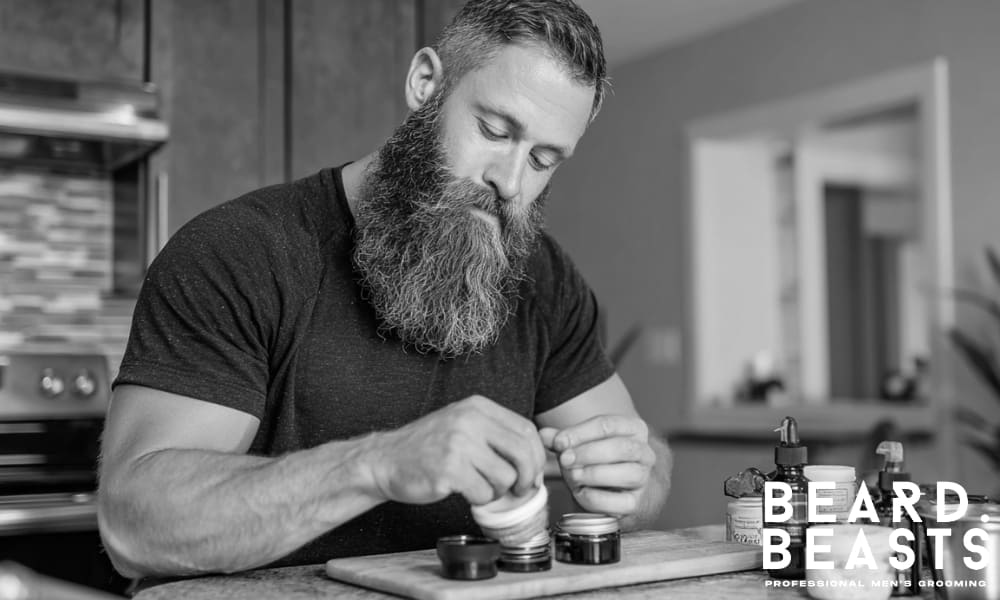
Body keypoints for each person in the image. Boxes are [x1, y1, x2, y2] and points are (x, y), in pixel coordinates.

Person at [97, 0, 672, 580]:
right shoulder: (241, 251)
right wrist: (376, 464)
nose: (511, 181)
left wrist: (630, 475)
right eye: (495, 131)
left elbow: (650, 467)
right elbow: (135, 524)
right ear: (426, 85)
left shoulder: (543, 279)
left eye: (545, 159)